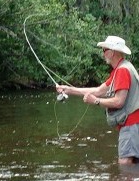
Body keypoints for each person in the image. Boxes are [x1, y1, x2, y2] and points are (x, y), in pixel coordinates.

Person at [56, 36, 139, 165]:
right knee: (132, 163)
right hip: (133, 124)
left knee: (125, 163)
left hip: (131, 125)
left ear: (112, 52)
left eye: (104, 50)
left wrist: (96, 101)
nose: (103, 53)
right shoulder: (120, 69)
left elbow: (119, 101)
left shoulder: (122, 71)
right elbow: (99, 90)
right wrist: (69, 90)